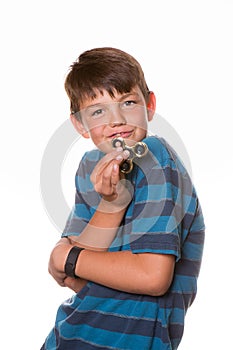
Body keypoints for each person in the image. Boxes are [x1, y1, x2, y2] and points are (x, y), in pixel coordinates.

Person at [41, 47, 205, 350]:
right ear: (79, 123)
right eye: (98, 111)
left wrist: (70, 257)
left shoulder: (155, 158)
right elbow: (71, 279)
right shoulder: (91, 166)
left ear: (149, 105)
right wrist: (112, 204)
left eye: (128, 102)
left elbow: (152, 277)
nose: (117, 120)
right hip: (68, 338)